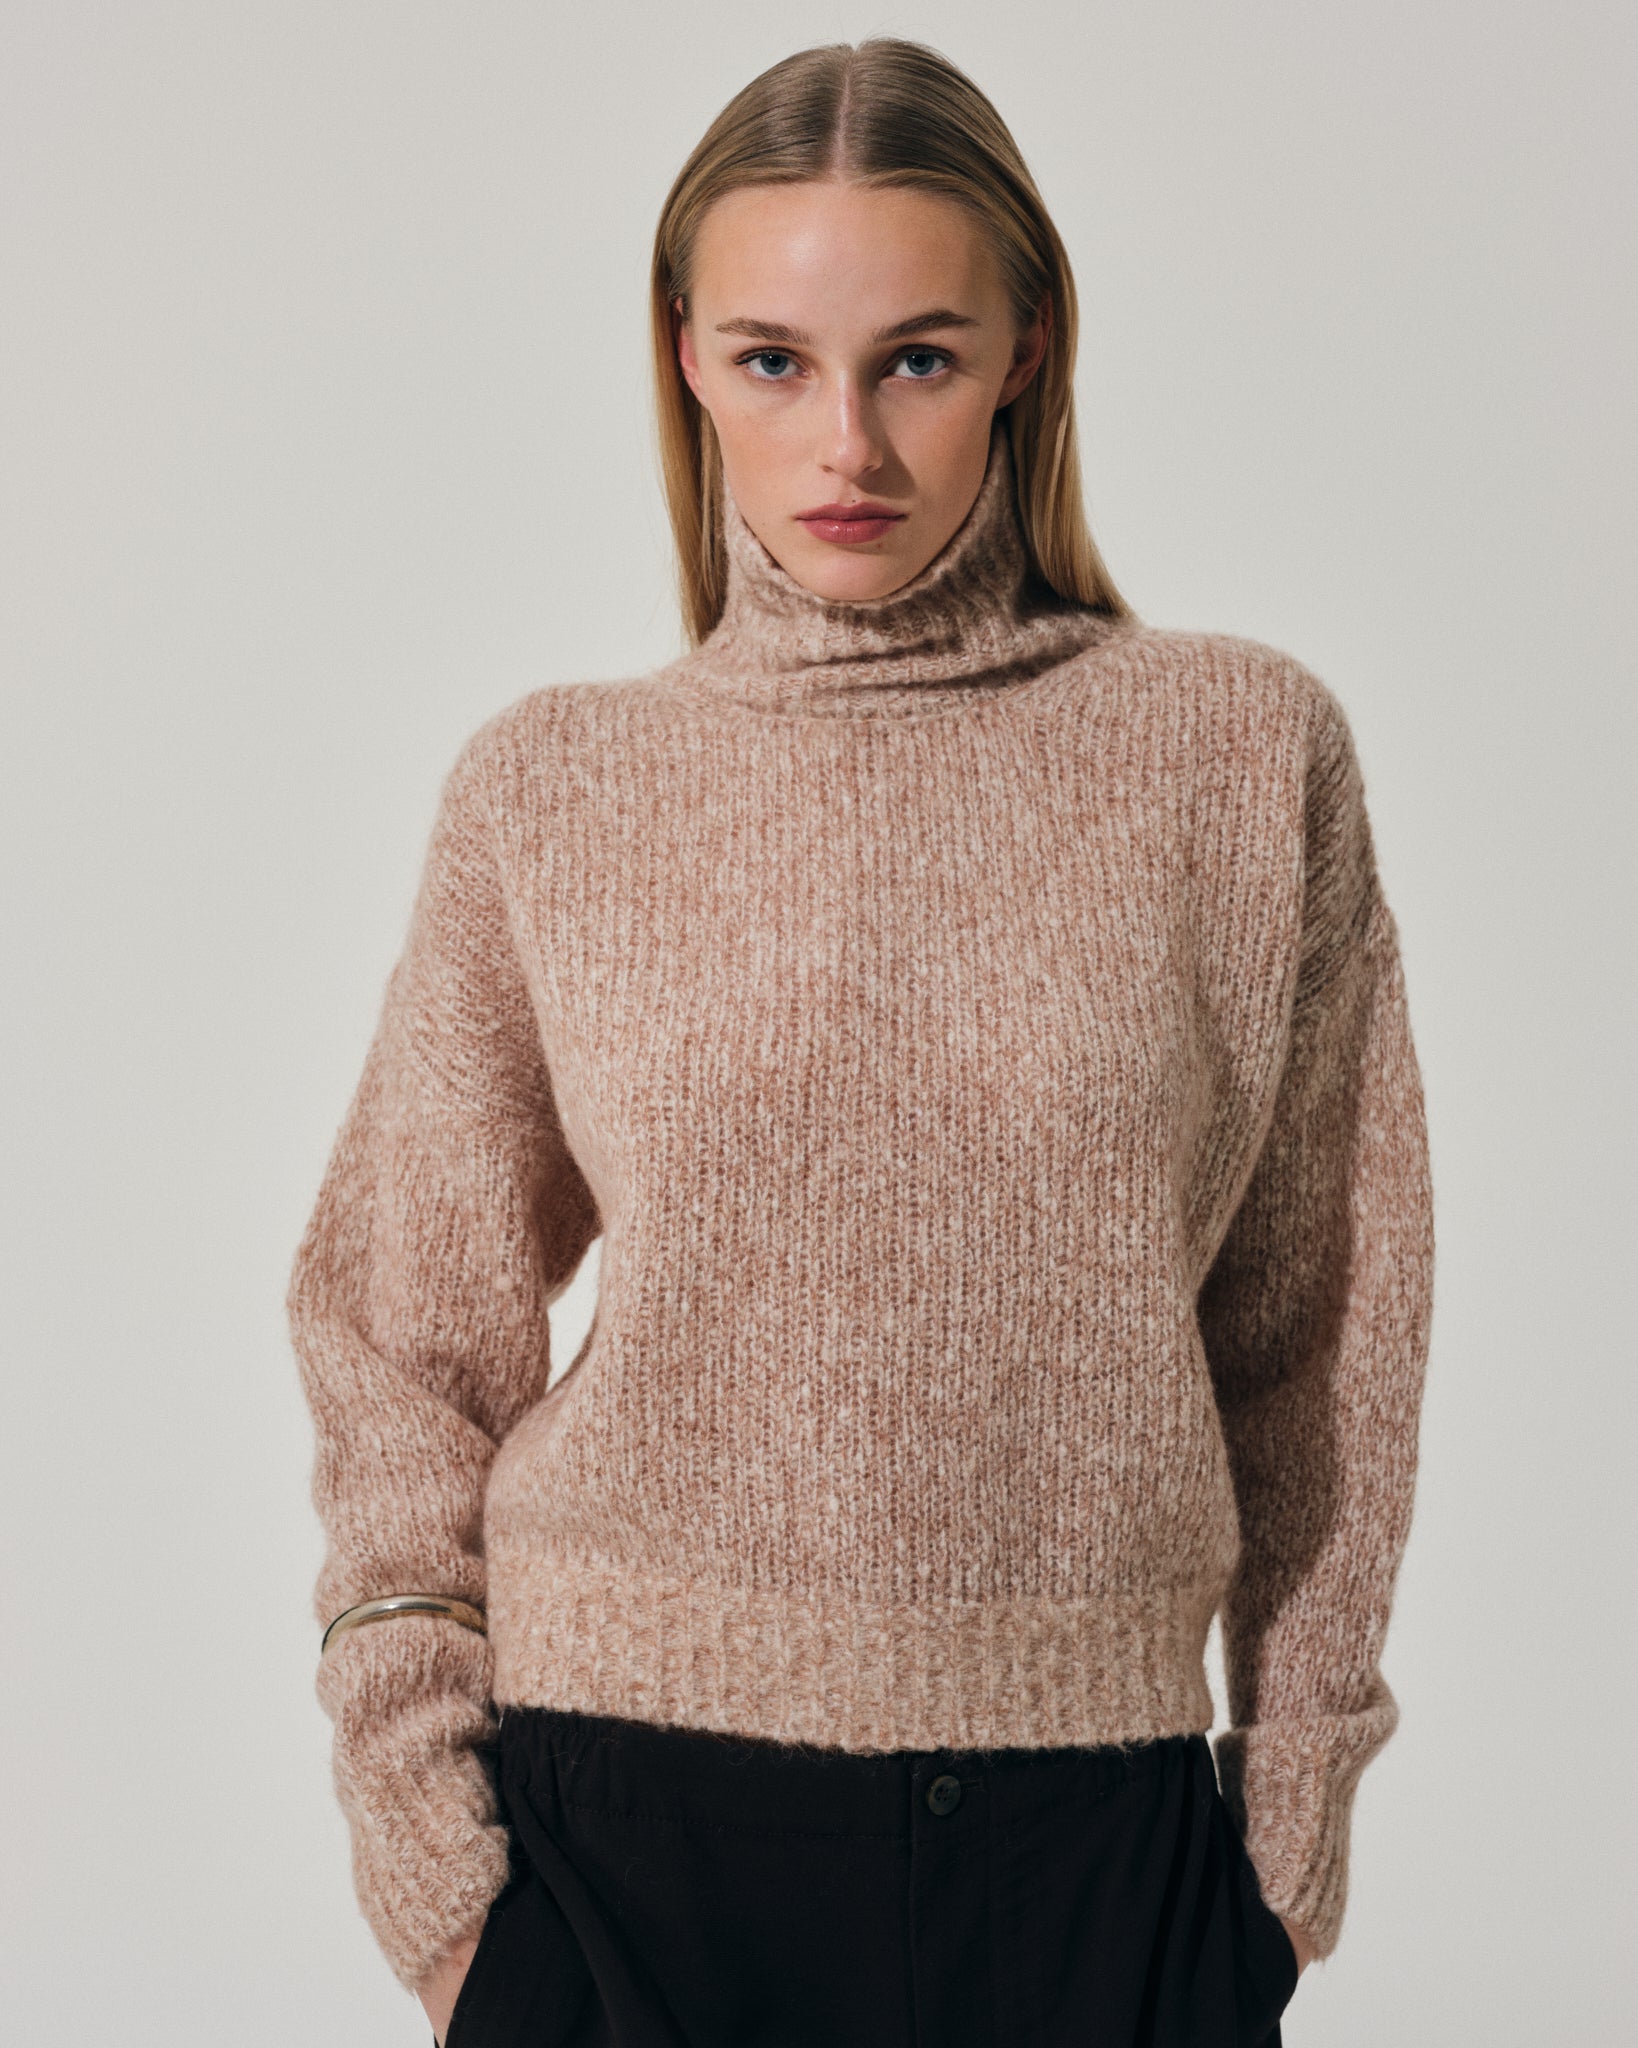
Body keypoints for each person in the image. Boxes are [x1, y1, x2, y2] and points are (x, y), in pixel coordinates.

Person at [287, 37, 1435, 2048]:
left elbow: (1324, 1329)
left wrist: (1284, 1838)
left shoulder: (1239, 758)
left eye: (915, 357)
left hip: (1099, 1863)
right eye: (771, 360)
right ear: (682, 357)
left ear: (1026, 350)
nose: (847, 443)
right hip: (621, 1848)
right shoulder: (552, 791)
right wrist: (441, 1881)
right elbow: (403, 1337)